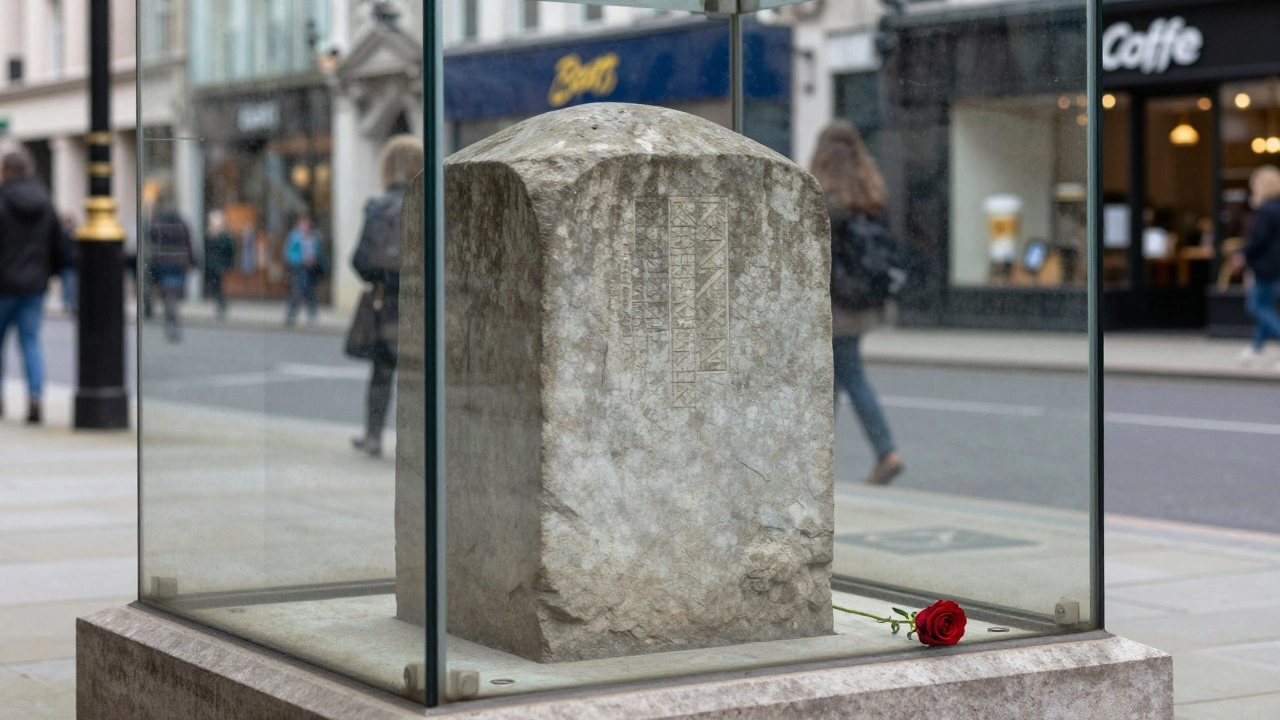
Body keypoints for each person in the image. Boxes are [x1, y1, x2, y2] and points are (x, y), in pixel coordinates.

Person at [810, 121, 905, 485]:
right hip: (863, 303)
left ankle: (886, 452)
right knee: (834, 381)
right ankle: (819, 461)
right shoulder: (871, 193)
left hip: (835, 306)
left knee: (847, 378)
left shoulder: (824, 196)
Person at [348, 135, 424, 457]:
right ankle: (422, 444)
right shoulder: (430, 202)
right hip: (421, 303)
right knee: (420, 377)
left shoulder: (377, 208)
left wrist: (383, 278)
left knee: (381, 373)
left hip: (385, 303)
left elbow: (360, 261)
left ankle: (373, 436)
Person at [0, 150, 72, 423]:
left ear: (5, 171)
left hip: (3, 285)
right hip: (34, 285)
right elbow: (59, 244)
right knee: (30, 342)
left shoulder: (2, 199)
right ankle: (35, 397)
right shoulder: (44, 201)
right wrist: (49, 274)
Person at [1236, 165, 1280, 366]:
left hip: (1265, 264)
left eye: (1255, 182)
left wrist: (1243, 255)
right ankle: (1256, 348)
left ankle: (1257, 348)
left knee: (1256, 306)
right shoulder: (1276, 208)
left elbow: (1258, 239)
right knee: (1266, 306)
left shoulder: (1265, 210)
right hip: (1274, 264)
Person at [148, 199, 194, 343]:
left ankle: (170, 315)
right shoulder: (181, 224)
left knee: (168, 290)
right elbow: (188, 243)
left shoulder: (158, 223)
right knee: (174, 289)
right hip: (178, 261)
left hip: (164, 262)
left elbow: (153, 243)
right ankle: (172, 315)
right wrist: (191, 260)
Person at [284, 213, 323, 326]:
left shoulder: (312, 237)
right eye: (303, 224)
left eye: (307, 224)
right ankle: (292, 314)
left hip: (310, 268)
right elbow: (290, 253)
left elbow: (317, 251)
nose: (305, 226)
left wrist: (314, 259)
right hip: (299, 267)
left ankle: (311, 314)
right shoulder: (294, 237)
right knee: (300, 290)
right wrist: (301, 260)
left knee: (308, 290)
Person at [203, 210, 235, 320]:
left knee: (219, 286)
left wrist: (227, 264)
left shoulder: (224, 237)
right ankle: (221, 304)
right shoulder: (209, 235)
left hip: (220, 265)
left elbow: (229, 251)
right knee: (216, 286)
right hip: (212, 265)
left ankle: (222, 304)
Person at [58, 213, 78, 315]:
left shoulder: (73, 234)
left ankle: (71, 304)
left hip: (71, 264)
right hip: (65, 264)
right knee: (66, 285)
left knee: (70, 285)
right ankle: (68, 304)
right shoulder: (63, 234)